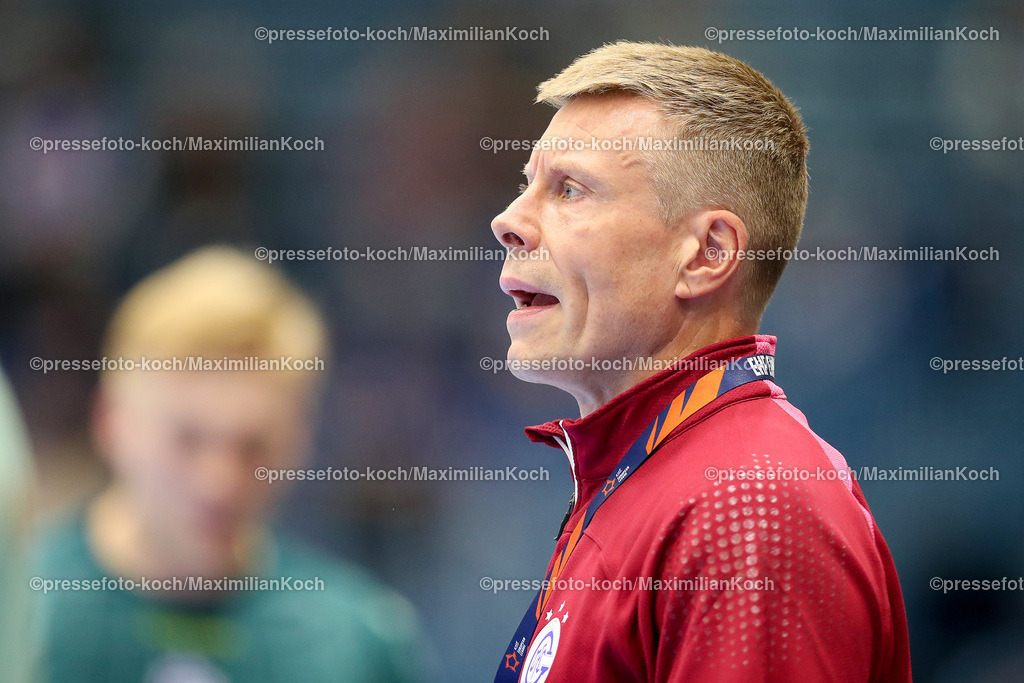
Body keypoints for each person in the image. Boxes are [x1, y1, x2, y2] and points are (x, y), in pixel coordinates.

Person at [490, 42, 911, 682]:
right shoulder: (652, 480)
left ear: (706, 255)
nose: (508, 221)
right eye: (528, 185)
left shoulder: (746, 504)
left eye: (569, 189)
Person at [33, 247, 429, 682]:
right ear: (111, 422)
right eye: (186, 439)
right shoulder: (22, 612)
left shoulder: (356, 643)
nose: (218, 483)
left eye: (253, 447)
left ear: (299, 443)